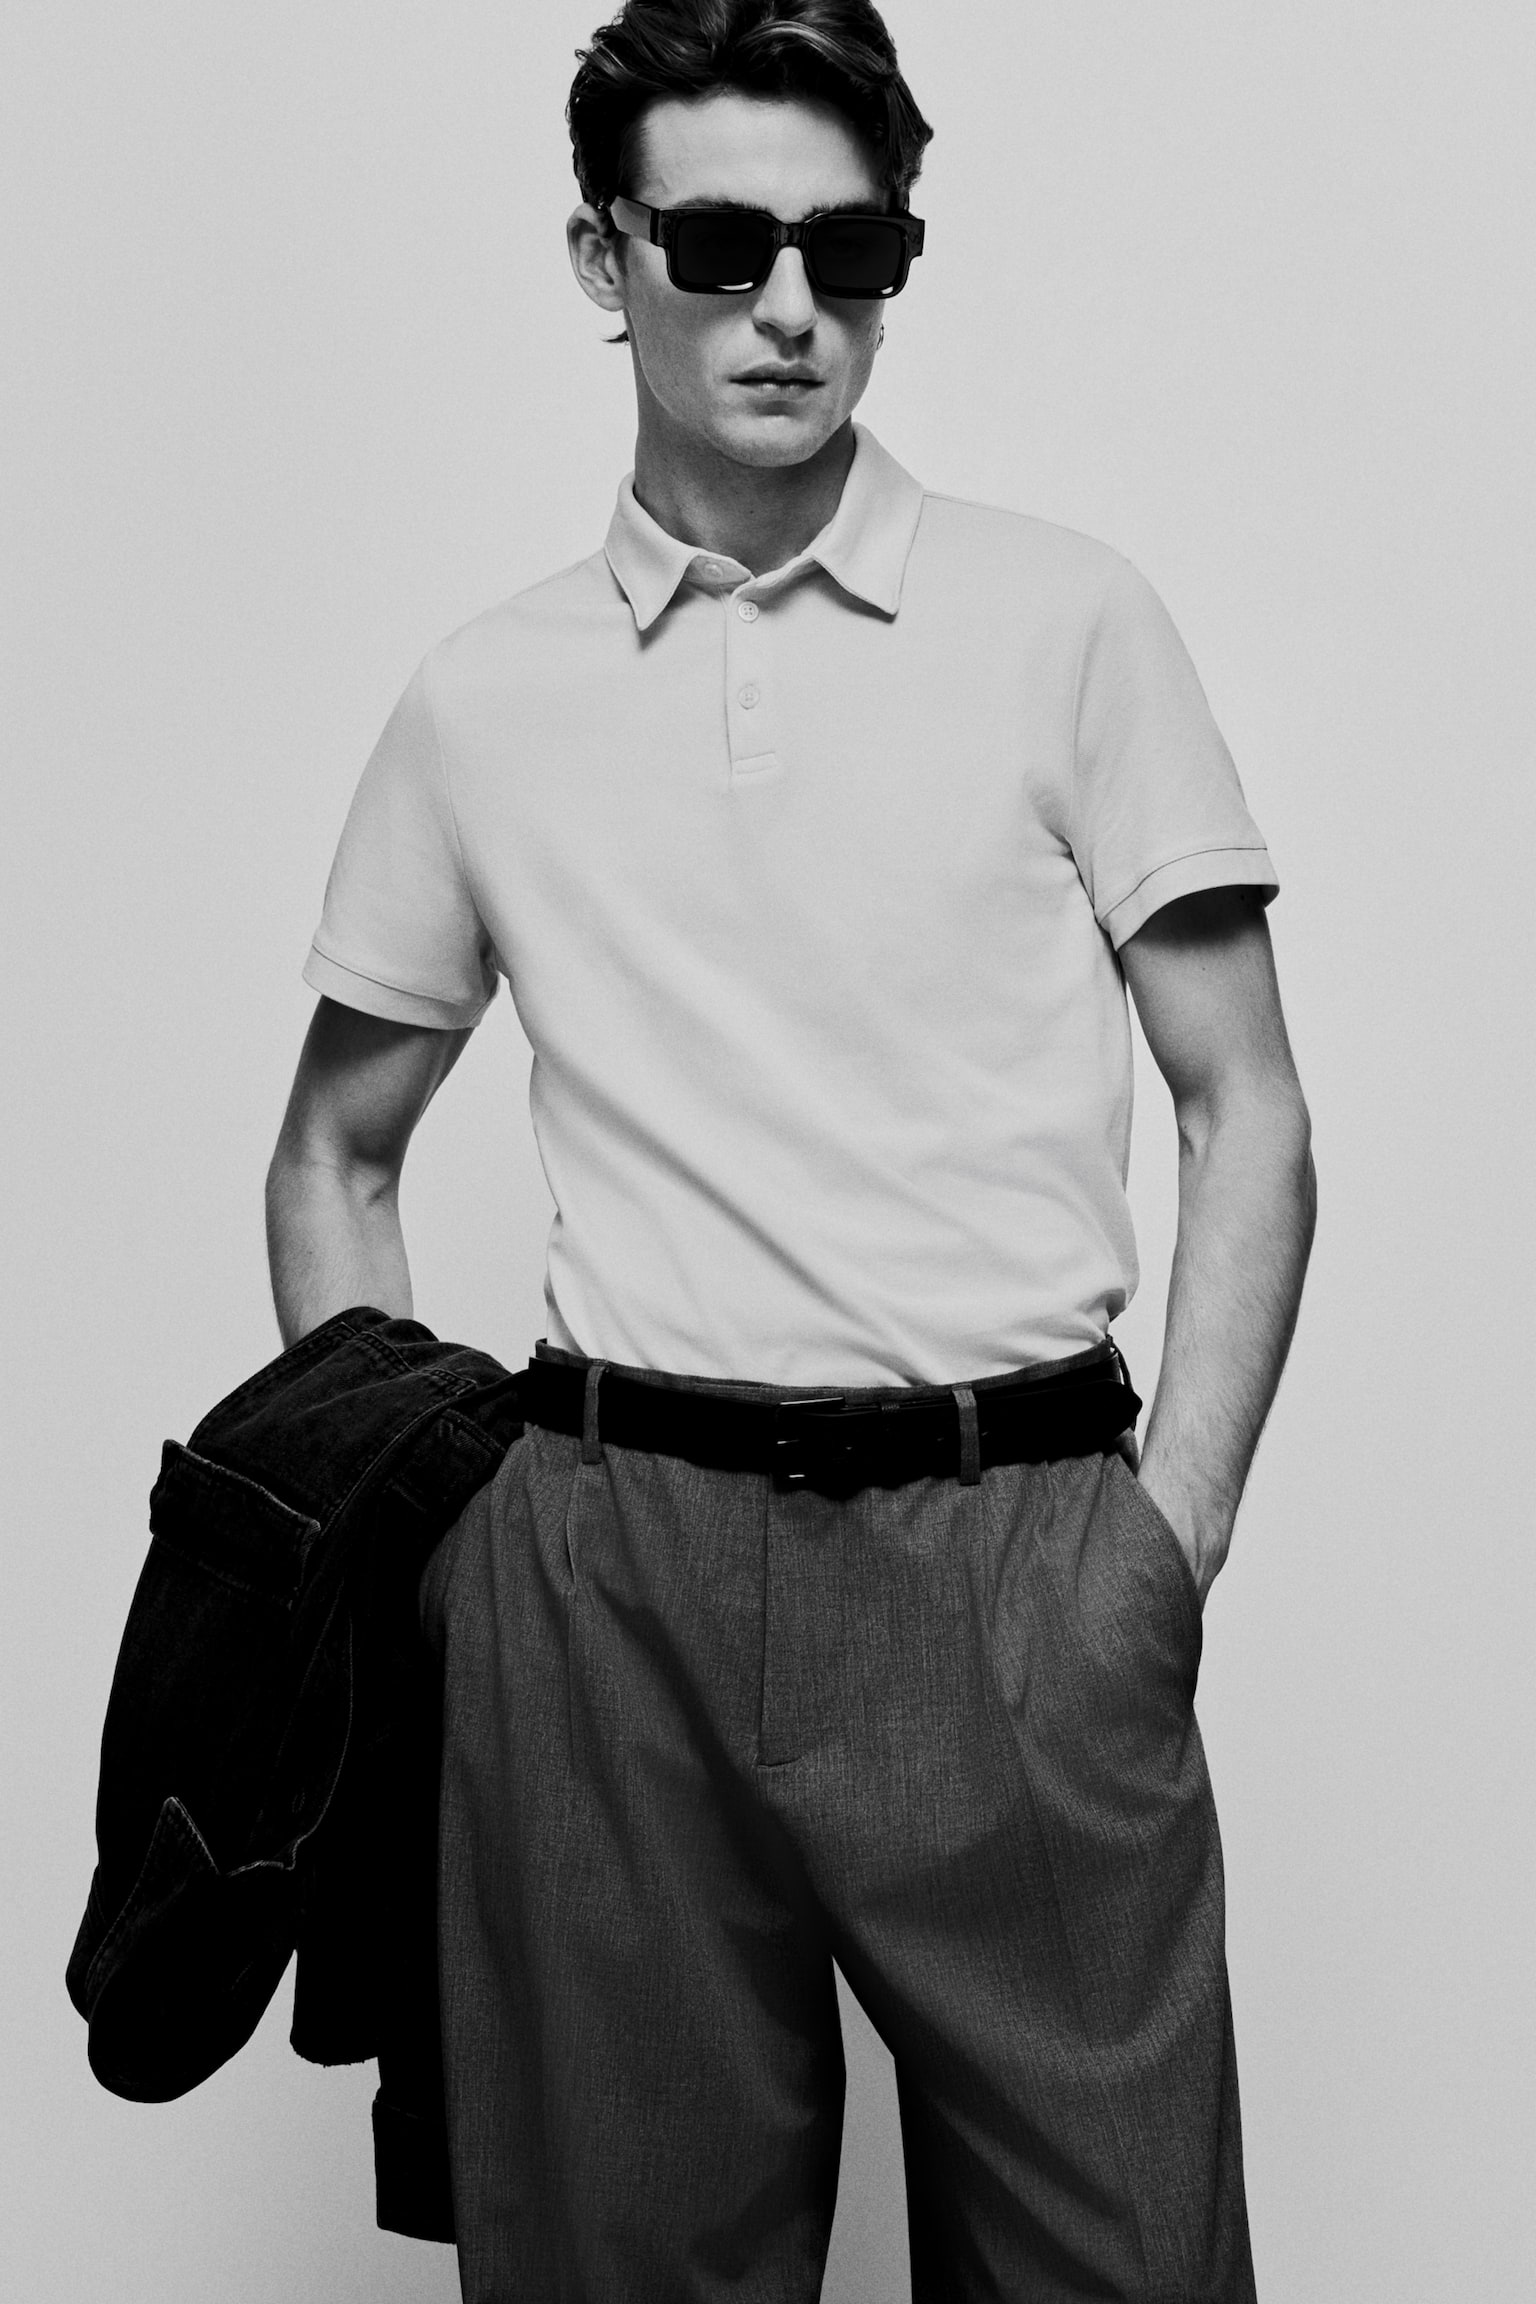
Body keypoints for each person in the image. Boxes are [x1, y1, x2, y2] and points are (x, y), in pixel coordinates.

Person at [265, 2, 1315, 2296]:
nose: (791, 309)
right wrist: (426, 1547)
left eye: (854, 251)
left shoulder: (1065, 618)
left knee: (1125, 2265)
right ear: (601, 253)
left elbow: (1246, 1100)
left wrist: (1166, 1541)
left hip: (1012, 1554)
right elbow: (335, 1150)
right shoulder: (486, 696)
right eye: (723, 245)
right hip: (606, 1575)